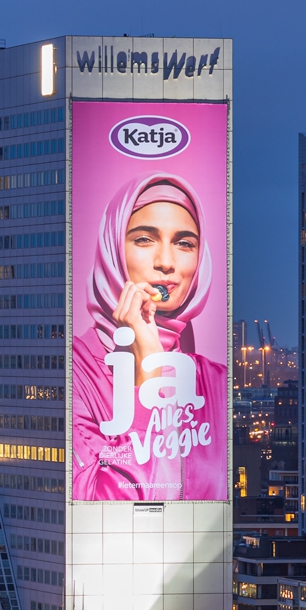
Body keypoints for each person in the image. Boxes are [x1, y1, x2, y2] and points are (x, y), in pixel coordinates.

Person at [72, 175, 227, 500]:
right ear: (113, 248)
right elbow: (110, 507)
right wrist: (149, 376)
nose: (166, 263)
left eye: (185, 243)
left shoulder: (215, 381)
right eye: (144, 239)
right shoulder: (72, 373)